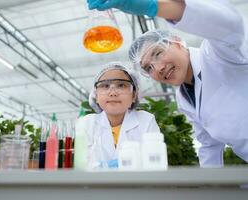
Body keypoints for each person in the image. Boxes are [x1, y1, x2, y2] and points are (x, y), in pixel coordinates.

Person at [87, 0, 248, 166]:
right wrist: (212, 188)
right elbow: (209, 145)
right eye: (148, 68)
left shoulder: (219, 55)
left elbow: (231, 25)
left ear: (177, 42)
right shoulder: (184, 98)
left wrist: (157, 6)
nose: (158, 69)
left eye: (157, 53)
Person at [78, 62, 160, 169]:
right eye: (105, 86)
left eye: (121, 85)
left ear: (134, 95)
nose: (113, 93)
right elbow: (81, 167)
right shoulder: (86, 124)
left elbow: (154, 165)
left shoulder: (146, 121)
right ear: (96, 96)